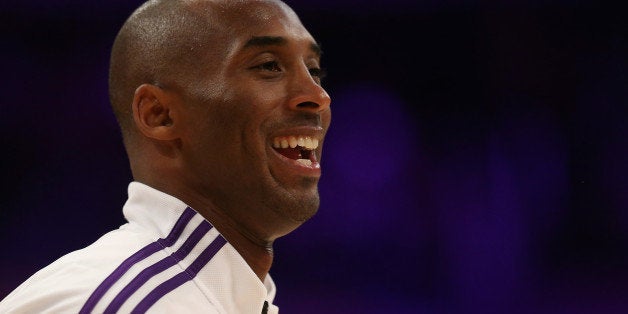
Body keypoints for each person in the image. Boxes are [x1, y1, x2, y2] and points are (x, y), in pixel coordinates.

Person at [0, 0, 331, 312]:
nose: (318, 96)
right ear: (159, 115)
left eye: (314, 71)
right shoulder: (126, 305)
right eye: (269, 66)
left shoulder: (204, 297)